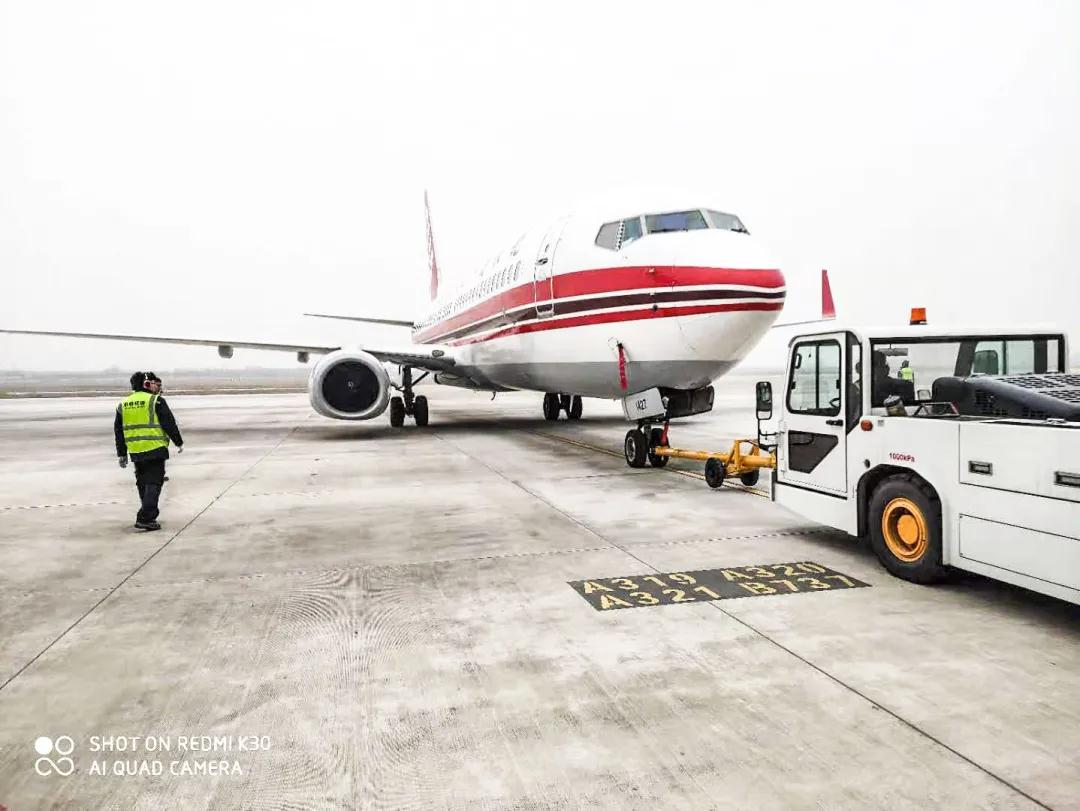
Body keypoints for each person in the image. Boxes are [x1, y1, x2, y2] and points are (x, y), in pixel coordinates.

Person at [115, 371, 184, 531]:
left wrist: (122, 453)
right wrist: (178, 442)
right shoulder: (155, 401)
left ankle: (148, 512)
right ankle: (145, 517)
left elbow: (118, 431)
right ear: (146, 384)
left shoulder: (123, 405)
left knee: (143, 482)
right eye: (152, 383)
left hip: (136, 451)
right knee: (154, 482)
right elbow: (169, 423)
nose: (156, 385)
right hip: (155, 448)